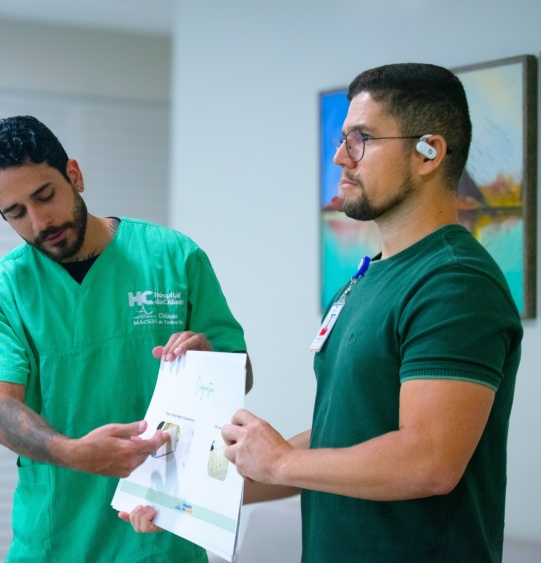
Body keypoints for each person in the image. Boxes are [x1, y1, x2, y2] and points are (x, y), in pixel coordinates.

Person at [219, 63, 522, 561]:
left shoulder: (454, 281)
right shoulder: (364, 280)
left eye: (360, 139)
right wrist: (203, 488)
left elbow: (428, 461)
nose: (340, 157)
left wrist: (280, 464)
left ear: (429, 153)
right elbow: (349, 433)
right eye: (342, 139)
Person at [0, 115, 252, 562]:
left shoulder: (173, 257)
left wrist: (210, 357)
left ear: (74, 175)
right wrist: (74, 453)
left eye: (45, 196)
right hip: (56, 535)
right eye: (16, 213)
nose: (40, 222)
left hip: (159, 532)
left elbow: (240, 370)